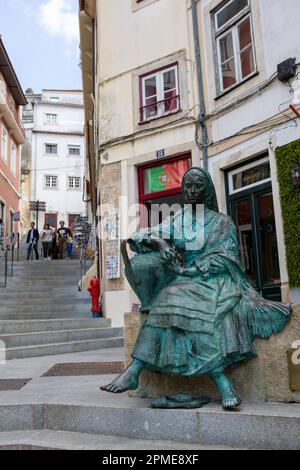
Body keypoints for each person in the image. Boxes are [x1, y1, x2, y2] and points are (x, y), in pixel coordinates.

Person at [100, 167, 291, 410]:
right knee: (171, 295)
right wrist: (160, 244)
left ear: (207, 189)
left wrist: (197, 269)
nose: (191, 191)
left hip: (216, 279)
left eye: (197, 186)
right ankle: (137, 370)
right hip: (184, 280)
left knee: (190, 304)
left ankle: (221, 383)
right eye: (187, 185)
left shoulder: (222, 222)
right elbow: (139, 236)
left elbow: (229, 257)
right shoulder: (179, 219)